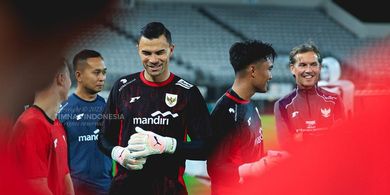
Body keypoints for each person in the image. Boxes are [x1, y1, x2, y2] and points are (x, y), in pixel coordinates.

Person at [97, 22, 213, 195]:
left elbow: (206, 147)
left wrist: (167, 145)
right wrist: (118, 153)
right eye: (146, 53)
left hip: (170, 190)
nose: (153, 60)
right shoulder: (122, 88)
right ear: (138, 49)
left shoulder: (188, 92)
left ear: (171, 50)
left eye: (160, 52)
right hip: (125, 189)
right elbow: (103, 136)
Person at [207, 40, 287, 195]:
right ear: (252, 70)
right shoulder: (225, 112)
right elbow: (215, 169)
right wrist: (256, 168)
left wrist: (270, 159)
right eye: (269, 69)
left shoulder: (250, 104)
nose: (270, 76)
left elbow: (249, 155)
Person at [8, 58, 74, 195]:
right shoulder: (31, 124)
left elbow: (64, 174)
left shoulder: (57, 123)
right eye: (69, 77)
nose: (70, 83)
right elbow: (36, 186)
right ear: (61, 79)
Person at [58, 49, 112, 195]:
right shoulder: (62, 112)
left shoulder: (109, 108)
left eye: (104, 72)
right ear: (79, 76)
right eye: (96, 72)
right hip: (76, 190)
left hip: (107, 189)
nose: (102, 78)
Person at [274, 42, 345, 151]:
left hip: (330, 165)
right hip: (300, 167)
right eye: (302, 65)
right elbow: (286, 145)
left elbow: (341, 140)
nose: (308, 70)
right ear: (292, 68)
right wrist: (325, 135)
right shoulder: (282, 105)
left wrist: (302, 137)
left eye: (313, 64)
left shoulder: (335, 100)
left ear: (320, 67)